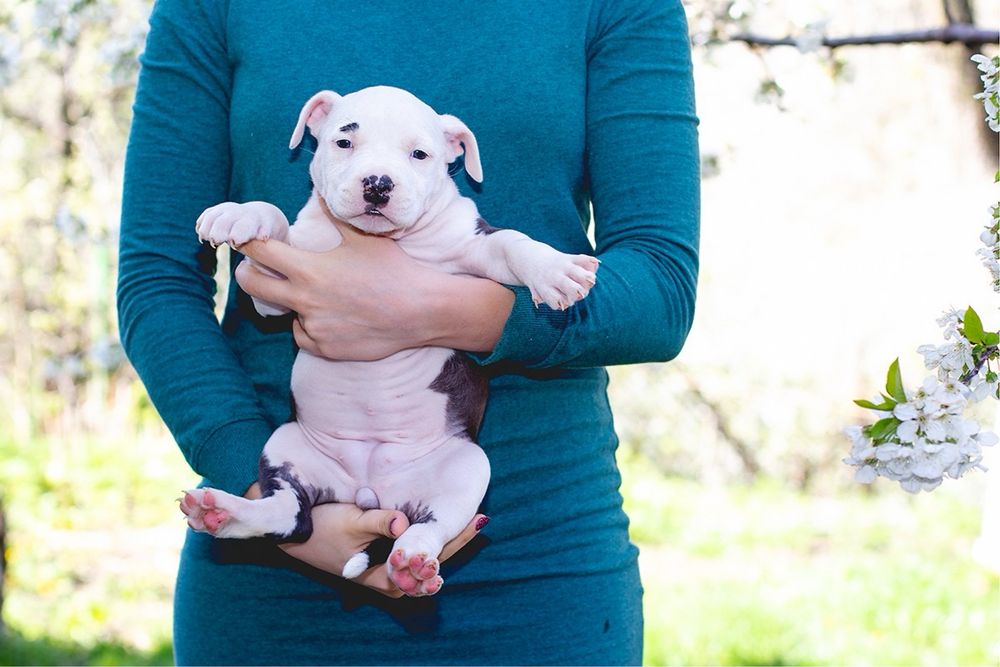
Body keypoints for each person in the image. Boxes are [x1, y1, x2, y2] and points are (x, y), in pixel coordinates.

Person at [116, 0, 700, 664]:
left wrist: (421, 308)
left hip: (537, 572)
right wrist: (269, 499)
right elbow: (156, 278)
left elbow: (659, 288)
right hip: (271, 584)